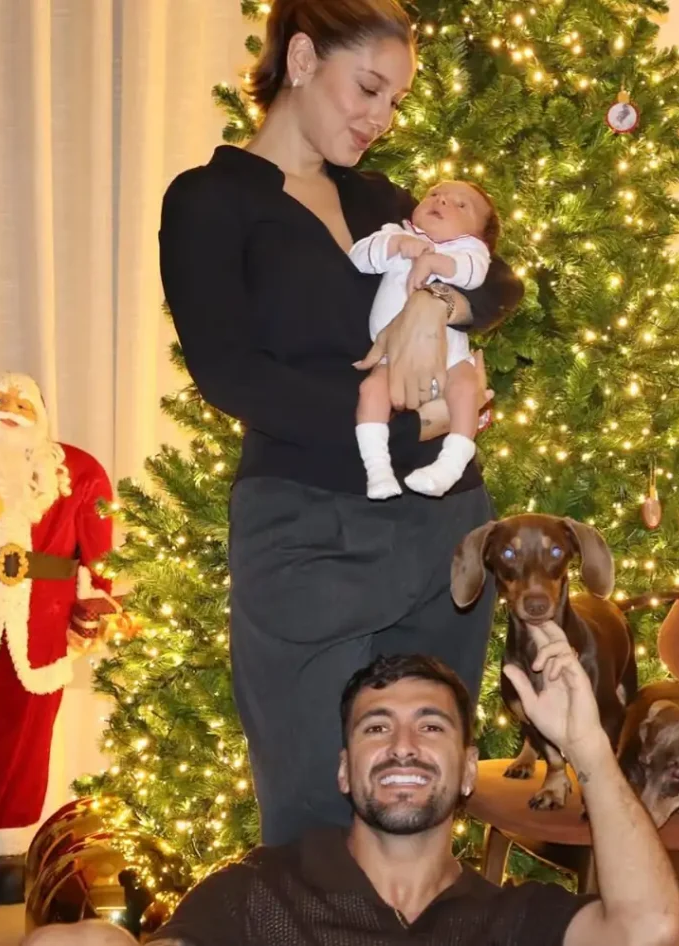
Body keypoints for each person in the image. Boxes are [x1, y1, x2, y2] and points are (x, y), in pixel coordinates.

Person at [156, 0, 524, 848]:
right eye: (368, 88)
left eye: (395, 100)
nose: (381, 117)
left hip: (443, 530)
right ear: (300, 59)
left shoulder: (379, 198)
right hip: (307, 532)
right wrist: (410, 422)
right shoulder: (211, 200)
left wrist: (434, 305)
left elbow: (498, 281)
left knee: (423, 811)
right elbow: (230, 374)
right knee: (314, 823)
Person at [25, 626, 679, 946]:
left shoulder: (512, 919)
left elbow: (651, 929)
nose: (403, 744)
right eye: (376, 727)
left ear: (466, 770)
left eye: (431, 726)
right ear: (345, 770)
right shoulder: (259, 893)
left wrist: (589, 751)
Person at [0, 372, 118, 904]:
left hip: (37, 628)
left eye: (22, 402)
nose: (9, 408)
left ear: (41, 413)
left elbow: (98, 552)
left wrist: (94, 603)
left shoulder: (77, 471)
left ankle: (7, 849)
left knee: (24, 738)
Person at [350, 179, 500, 500]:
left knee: (466, 389)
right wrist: (395, 245)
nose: (442, 201)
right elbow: (357, 258)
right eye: (435, 194)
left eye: (461, 205)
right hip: (392, 355)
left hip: (451, 357)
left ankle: (451, 464)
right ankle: (377, 468)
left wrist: (436, 262)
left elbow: (474, 273)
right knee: (370, 391)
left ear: (478, 234)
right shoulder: (397, 233)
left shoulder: (468, 250)